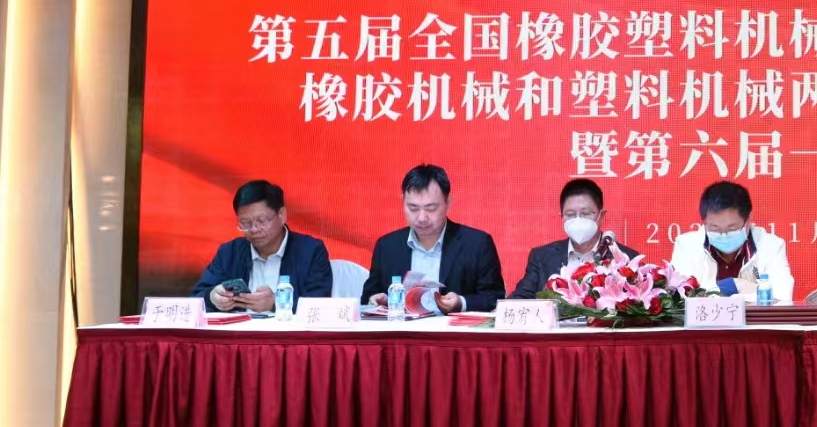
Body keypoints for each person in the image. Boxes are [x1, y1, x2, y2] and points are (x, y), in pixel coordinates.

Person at [363, 164, 505, 313]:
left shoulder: (477, 244)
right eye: (413, 208)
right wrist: (376, 300)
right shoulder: (387, 247)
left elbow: (493, 297)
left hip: (451, 327)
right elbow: (368, 296)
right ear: (403, 201)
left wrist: (460, 303)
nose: (421, 218)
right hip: (402, 327)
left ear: (448, 202)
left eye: (430, 208)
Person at [193, 179, 333, 312]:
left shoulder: (311, 251)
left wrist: (275, 303)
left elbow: (319, 306)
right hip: (240, 329)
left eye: (262, 220)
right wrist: (212, 298)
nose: (254, 229)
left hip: (288, 329)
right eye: (245, 223)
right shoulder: (229, 252)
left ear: (282, 215)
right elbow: (195, 300)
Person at [510, 178, 643, 299]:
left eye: (585, 213)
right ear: (562, 217)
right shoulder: (542, 256)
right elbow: (519, 299)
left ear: (601, 215)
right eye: (570, 214)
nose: (578, 219)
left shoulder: (626, 258)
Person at [670, 180, 795, 303]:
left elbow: (783, 298)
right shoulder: (687, 246)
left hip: (752, 318)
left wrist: (732, 288)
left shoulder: (771, 246)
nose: (723, 235)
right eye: (715, 228)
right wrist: (734, 286)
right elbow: (678, 299)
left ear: (748, 219)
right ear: (704, 222)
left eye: (732, 228)